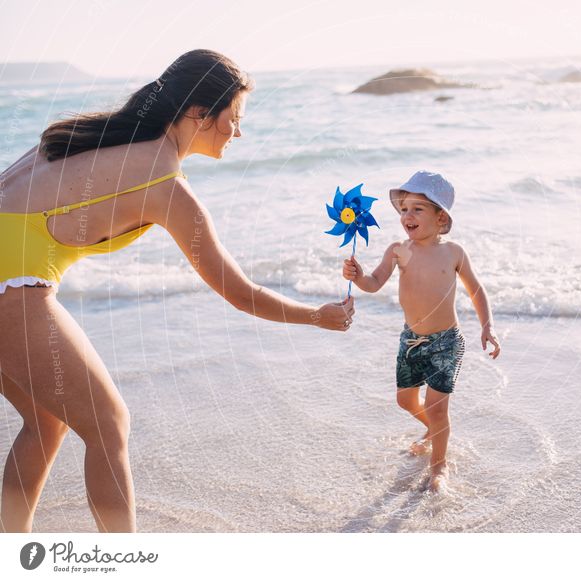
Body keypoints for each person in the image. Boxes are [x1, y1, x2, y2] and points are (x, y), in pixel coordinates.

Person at [0, 49, 355, 533]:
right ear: (198, 114)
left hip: (10, 282)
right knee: (108, 426)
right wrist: (316, 316)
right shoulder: (165, 184)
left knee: (47, 422)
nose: (239, 132)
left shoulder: (81, 137)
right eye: (235, 118)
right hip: (13, 288)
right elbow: (239, 292)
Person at [342, 171, 500, 492]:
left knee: (437, 407)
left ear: (440, 216)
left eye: (417, 209)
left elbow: (476, 290)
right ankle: (436, 431)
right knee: (404, 400)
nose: (407, 216)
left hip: (446, 342)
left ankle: (438, 468)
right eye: (403, 209)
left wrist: (487, 326)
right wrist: (357, 276)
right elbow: (374, 283)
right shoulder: (398, 250)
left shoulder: (453, 252)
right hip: (411, 341)